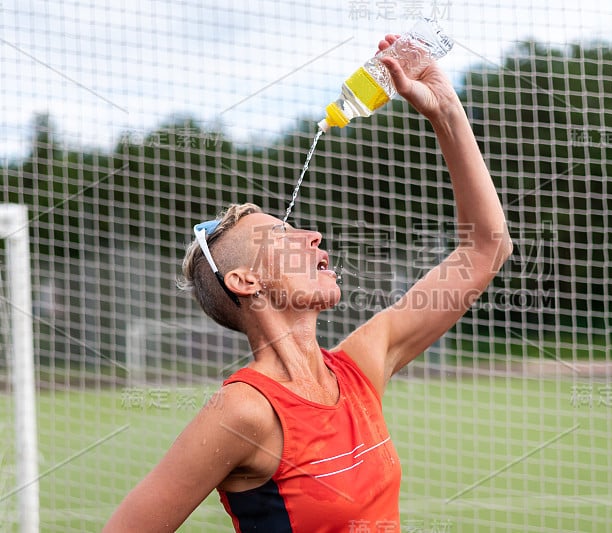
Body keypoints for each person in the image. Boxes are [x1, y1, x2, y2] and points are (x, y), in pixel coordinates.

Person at [104, 32, 512, 532]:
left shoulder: (361, 365)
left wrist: (445, 109)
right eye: (282, 234)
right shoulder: (244, 411)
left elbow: (485, 248)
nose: (314, 236)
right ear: (245, 280)